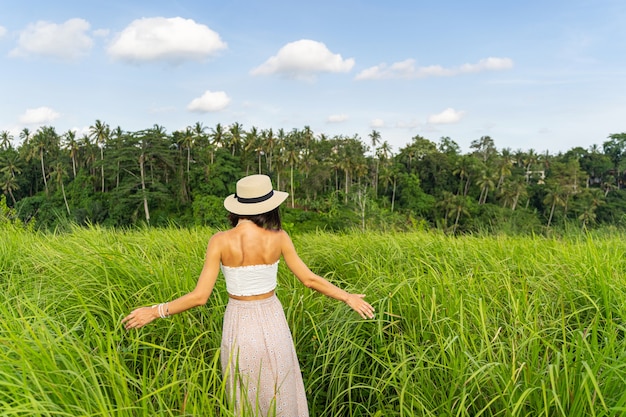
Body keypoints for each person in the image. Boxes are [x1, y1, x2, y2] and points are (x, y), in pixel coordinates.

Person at [122, 174, 375, 416]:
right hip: (273, 320)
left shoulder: (219, 241)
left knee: (244, 396)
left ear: (237, 206)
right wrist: (347, 296)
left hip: (239, 323)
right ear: (269, 207)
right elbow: (308, 279)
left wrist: (155, 311)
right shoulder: (279, 237)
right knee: (279, 388)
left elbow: (200, 296)